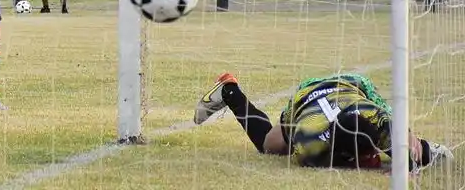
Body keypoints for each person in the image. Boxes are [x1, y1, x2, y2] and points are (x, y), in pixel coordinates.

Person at [194, 72, 453, 172]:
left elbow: (414, 148)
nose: (377, 157)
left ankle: (229, 90)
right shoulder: (309, 146)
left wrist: (417, 146)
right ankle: (229, 91)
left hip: (350, 84)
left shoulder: (377, 120)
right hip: (306, 98)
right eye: (371, 156)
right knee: (270, 145)